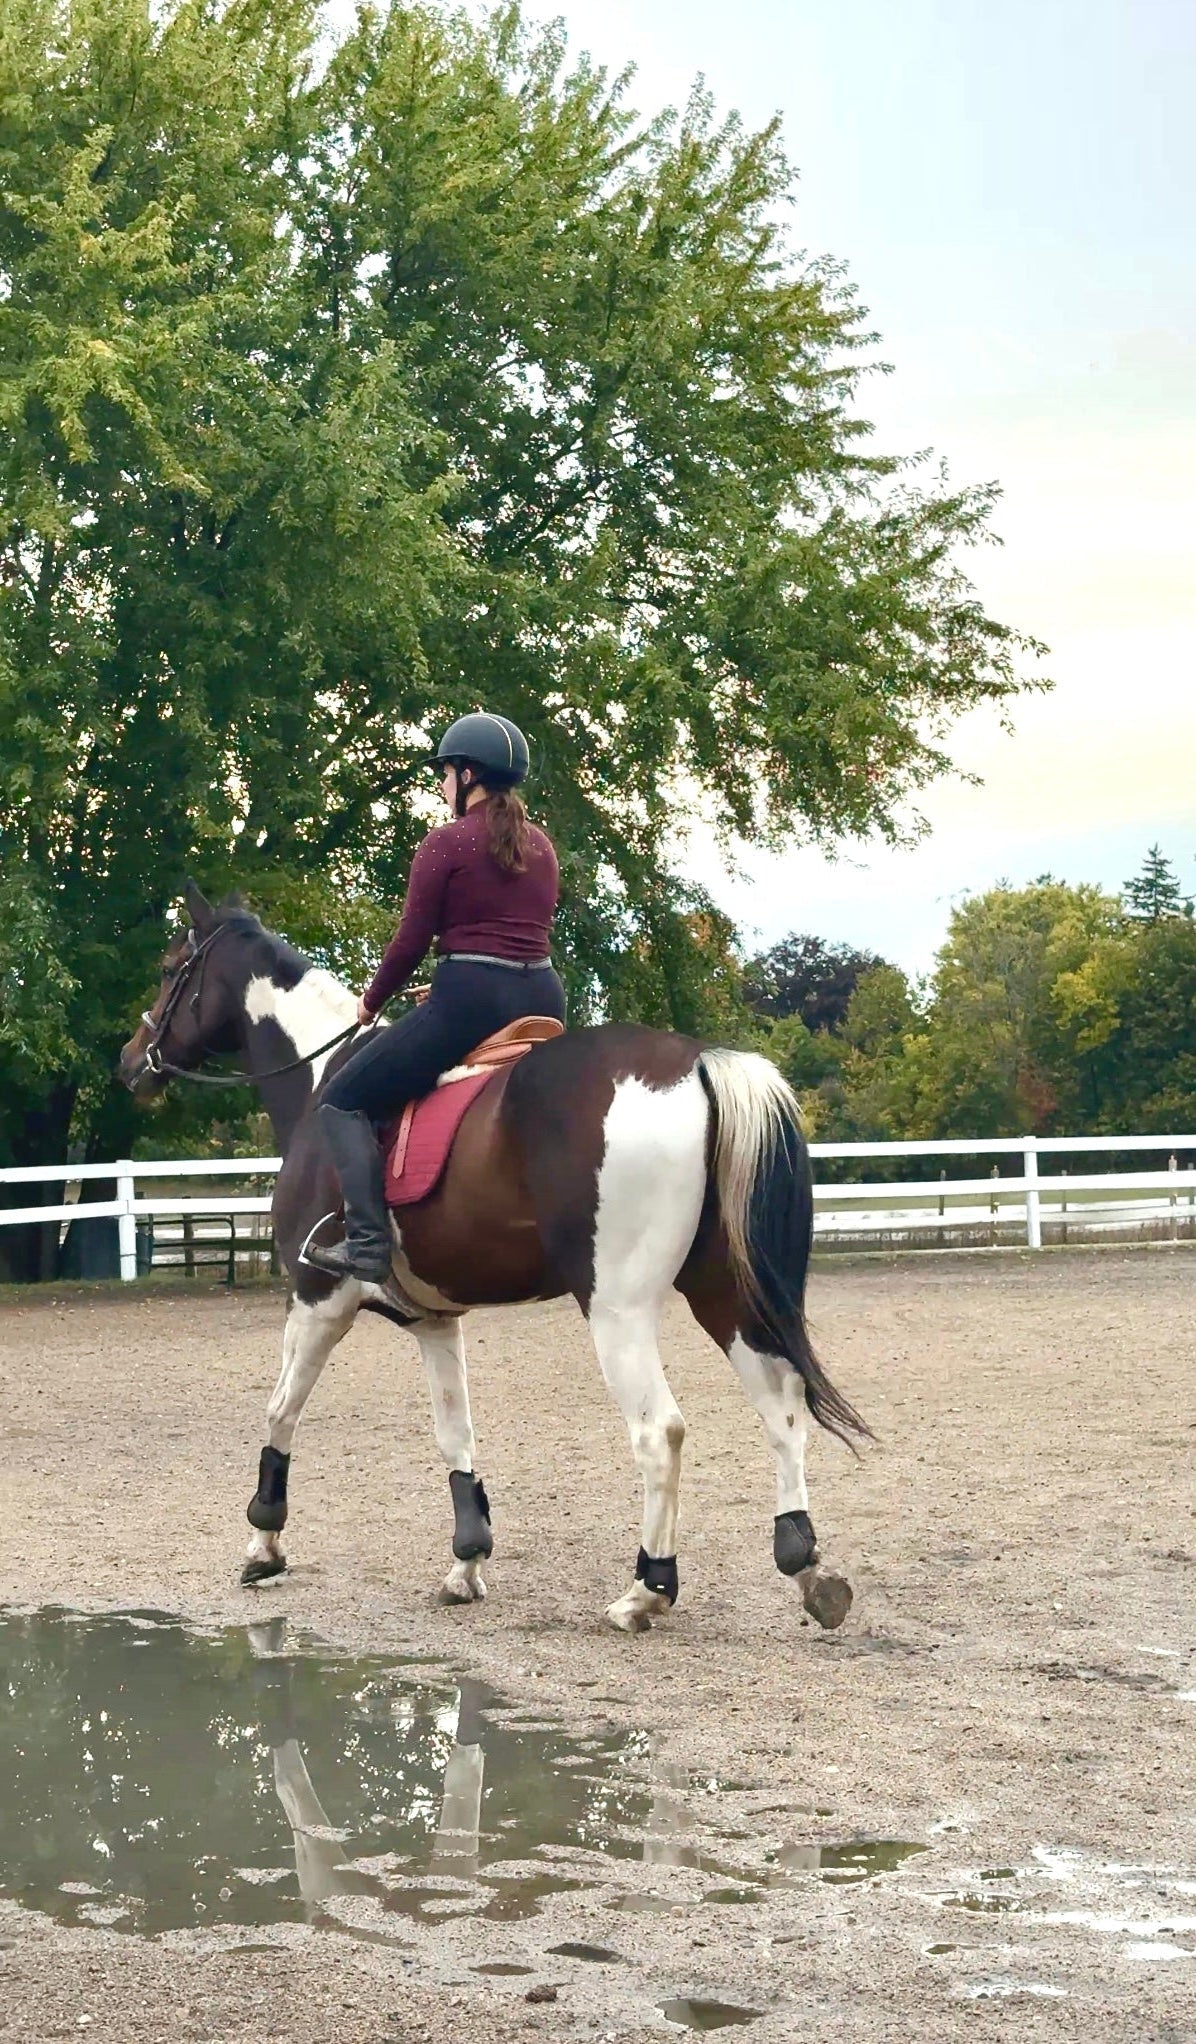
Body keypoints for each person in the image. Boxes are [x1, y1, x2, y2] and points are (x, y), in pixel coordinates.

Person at [304, 712, 566, 1283]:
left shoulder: (445, 843)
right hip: (543, 996)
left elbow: (409, 941)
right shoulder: (541, 846)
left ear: (467, 774)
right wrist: (456, 974)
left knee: (341, 1100)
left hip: (471, 1004)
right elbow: (511, 934)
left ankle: (368, 1245)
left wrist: (371, 1002)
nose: (441, 785)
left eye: (444, 774)